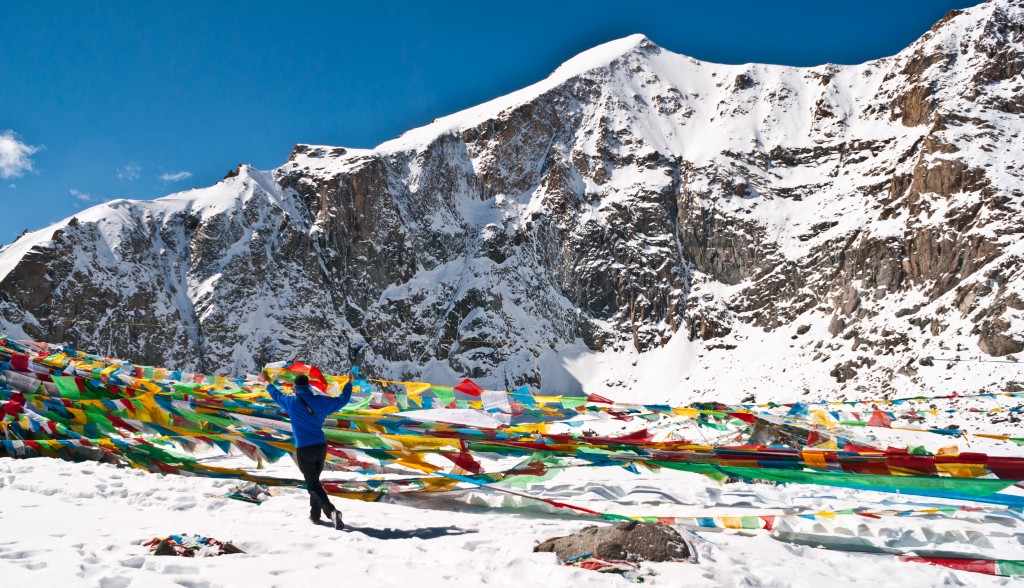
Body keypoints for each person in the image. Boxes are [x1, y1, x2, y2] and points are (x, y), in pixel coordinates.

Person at [265, 372, 353, 529]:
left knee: (312, 484)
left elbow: (276, 395)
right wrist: (348, 383)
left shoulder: (291, 402)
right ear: (309, 387)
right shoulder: (321, 401)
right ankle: (315, 515)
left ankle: (332, 512)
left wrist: (266, 382)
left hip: (304, 449)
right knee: (314, 481)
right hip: (321, 447)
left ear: (295, 388)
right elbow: (343, 400)